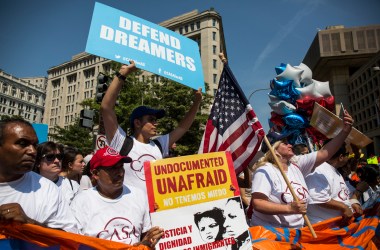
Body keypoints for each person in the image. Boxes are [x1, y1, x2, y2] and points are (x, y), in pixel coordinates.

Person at [101, 60, 202, 191]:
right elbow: (106, 107)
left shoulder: (159, 145)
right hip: (131, 210)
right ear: (137, 123)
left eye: (156, 120)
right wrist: (122, 75)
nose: (156, 123)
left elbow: (183, 127)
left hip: (156, 210)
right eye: (151, 119)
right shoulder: (121, 142)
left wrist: (197, 102)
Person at [249, 110, 354, 229]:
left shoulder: (297, 164)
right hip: (271, 235)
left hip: (296, 233)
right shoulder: (265, 170)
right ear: (274, 149)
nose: (290, 145)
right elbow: (258, 203)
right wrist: (288, 208)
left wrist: (345, 131)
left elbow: (324, 153)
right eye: (284, 143)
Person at [70, 146, 164, 247]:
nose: (120, 173)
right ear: (96, 174)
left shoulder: (138, 195)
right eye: (112, 168)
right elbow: (73, 244)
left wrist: (148, 241)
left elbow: (145, 235)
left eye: (121, 167)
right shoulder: (81, 202)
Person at [0, 118, 78, 232]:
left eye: (35, 145)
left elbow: (70, 239)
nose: (32, 151)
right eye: (22, 143)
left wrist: (30, 224)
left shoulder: (49, 191)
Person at [305, 142, 363, 225]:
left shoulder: (333, 170)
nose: (349, 157)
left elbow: (338, 196)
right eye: (348, 154)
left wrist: (352, 203)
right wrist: (344, 207)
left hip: (336, 226)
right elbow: (318, 197)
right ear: (341, 157)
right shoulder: (319, 169)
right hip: (324, 227)